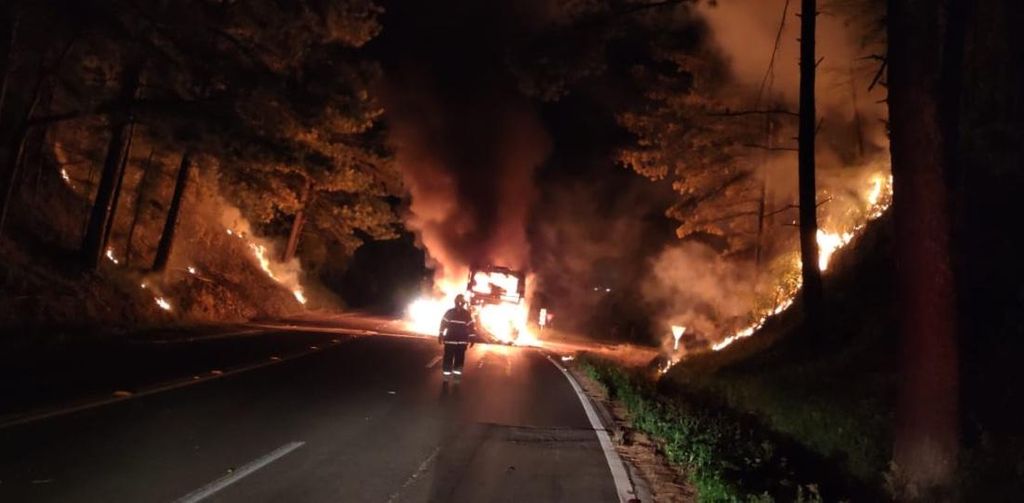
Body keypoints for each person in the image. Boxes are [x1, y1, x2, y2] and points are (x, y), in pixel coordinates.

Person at [439, 294, 475, 378]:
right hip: (458, 342)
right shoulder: (465, 314)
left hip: (453, 342)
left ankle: (450, 377)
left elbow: (471, 326)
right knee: (456, 359)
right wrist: (440, 333)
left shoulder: (451, 312)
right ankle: (452, 377)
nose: (460, 304)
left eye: (461, 303)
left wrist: (441, 334)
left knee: (452, 359)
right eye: (459, 302)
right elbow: (471, 327)